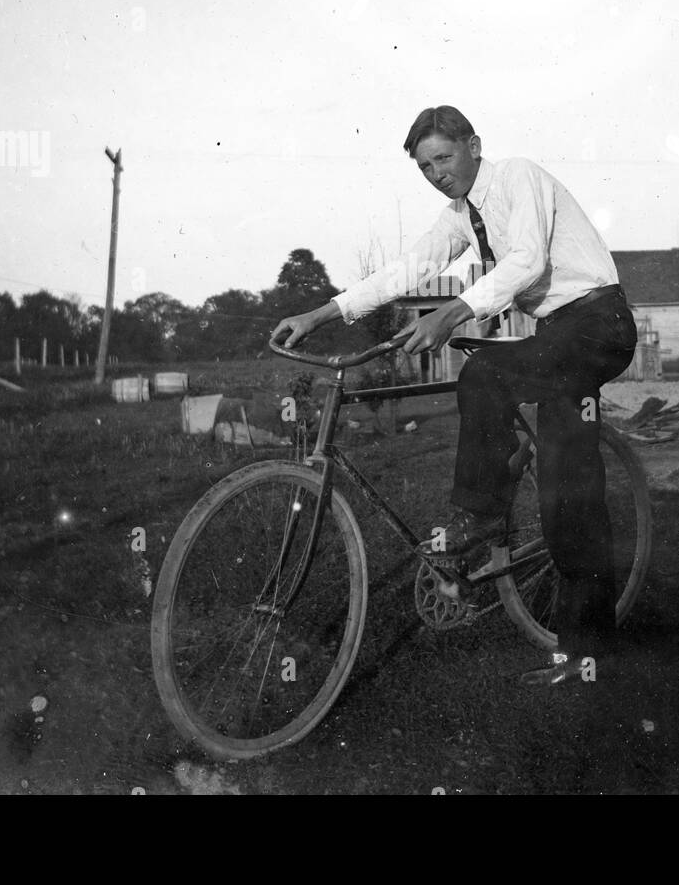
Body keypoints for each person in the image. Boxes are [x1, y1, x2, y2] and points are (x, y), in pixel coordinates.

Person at [270, 105, 636, 686]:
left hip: (597, 324)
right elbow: (404, 270)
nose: (437, 173)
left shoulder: (517, 177)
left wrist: (455, 311)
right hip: (555, 337)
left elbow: (527, 261)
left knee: (484, 373)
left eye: (444, 157)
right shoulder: (459, 216)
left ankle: (478, 520)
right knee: (569, 494)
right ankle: (587, 654)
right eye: (424, 167)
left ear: (474, 145)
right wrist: (320, 314)